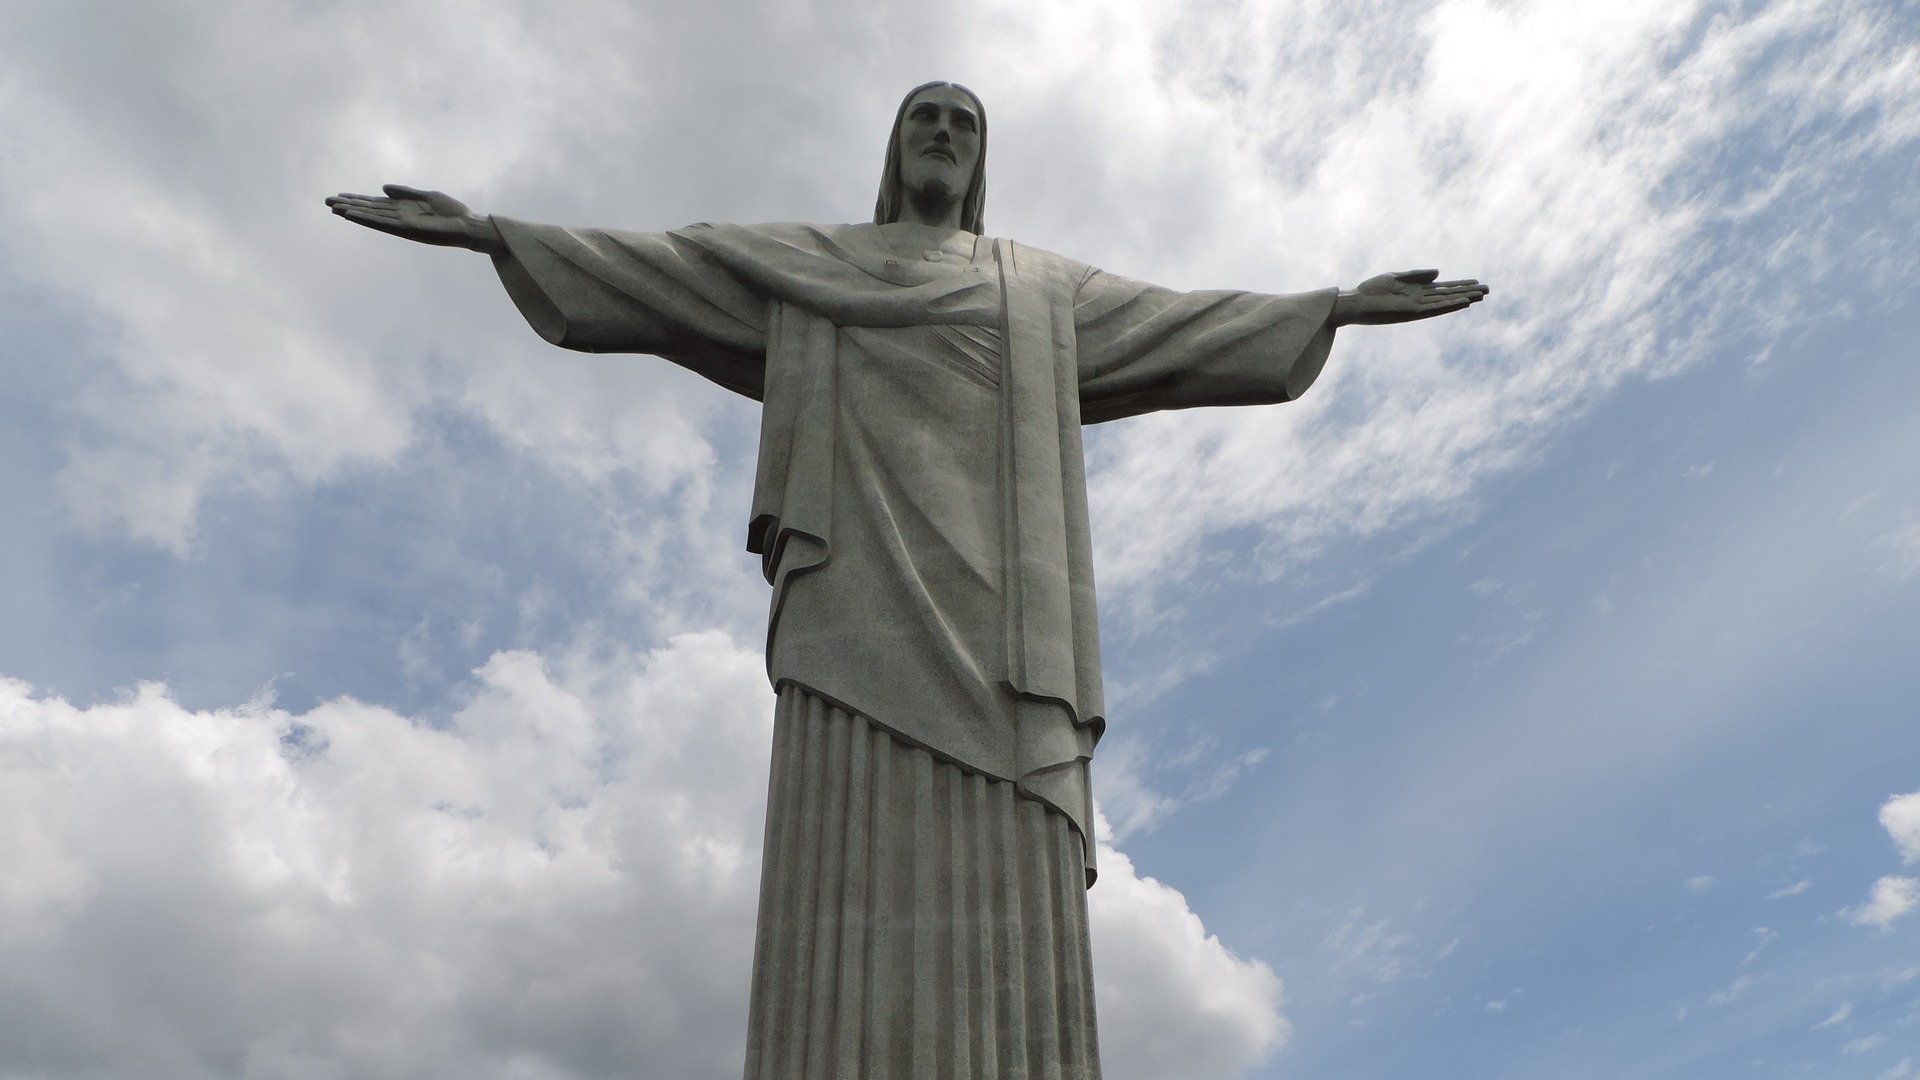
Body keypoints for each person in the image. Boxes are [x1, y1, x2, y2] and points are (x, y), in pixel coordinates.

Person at [329, 80, 1486, 1080]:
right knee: (841, 851)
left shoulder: (1038, 289)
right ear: (895, 147)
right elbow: (665, 269)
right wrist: (490, 232)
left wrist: (1332, 307)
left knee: (1011, 858)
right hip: (853, 598)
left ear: (981, 160)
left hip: (1008, 628)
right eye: (925, 117)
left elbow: (1183, 324)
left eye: (963, 123)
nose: (942, 133)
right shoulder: (809, 266)